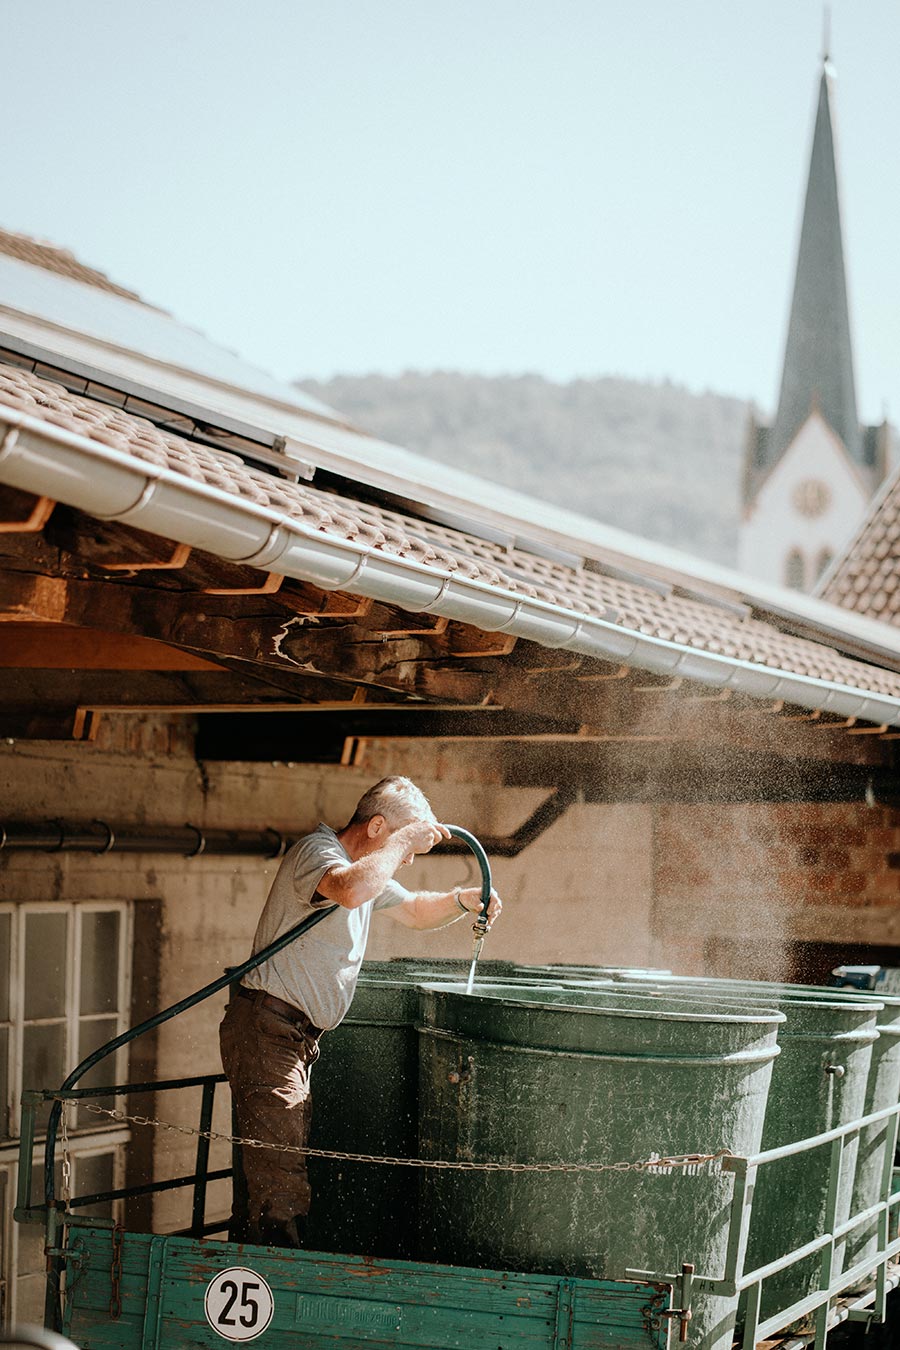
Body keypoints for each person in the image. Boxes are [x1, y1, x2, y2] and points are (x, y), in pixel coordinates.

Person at [219, 775, 502, 1247]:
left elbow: (412, 909)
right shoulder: (319, 853)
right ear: (376, 828)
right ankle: (272, 1279)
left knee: (280, 1161)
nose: (409, 859)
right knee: (280, 1177)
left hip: (293, 1038)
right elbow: (350, 891)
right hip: (268, 1030)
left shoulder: (365, 870)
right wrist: (403, 843)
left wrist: (461, 900)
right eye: (404, 844)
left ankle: (266, 1262)